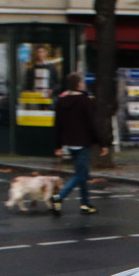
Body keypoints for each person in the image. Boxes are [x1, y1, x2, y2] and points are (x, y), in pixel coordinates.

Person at [51, 72, 109, 215]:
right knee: (80, 175)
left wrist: (58, 145)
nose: (83, 84)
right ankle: (59, 197)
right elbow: (92, 124)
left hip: (70, 142)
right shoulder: (84, 101)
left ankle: (85, 203)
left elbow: (58, 124)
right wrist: (102, 143)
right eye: (81, 82)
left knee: (83, 172)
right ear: (78, 84)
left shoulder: (61, 101)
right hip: (83, 142)